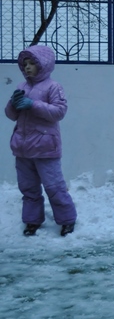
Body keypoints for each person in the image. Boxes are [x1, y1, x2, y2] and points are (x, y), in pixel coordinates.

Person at [4, 44, 77, 236]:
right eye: (25, 64)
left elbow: (59, 112)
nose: (27, 67)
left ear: (43, 64)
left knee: (54, 187)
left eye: (32, 63)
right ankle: (32, 220)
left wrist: (33, 104)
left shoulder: (53, 87)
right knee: (28, 188)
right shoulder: (21, 87)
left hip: (45, 148)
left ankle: (67, 220)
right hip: (22, 148)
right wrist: (13, 104)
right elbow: (11, 115)